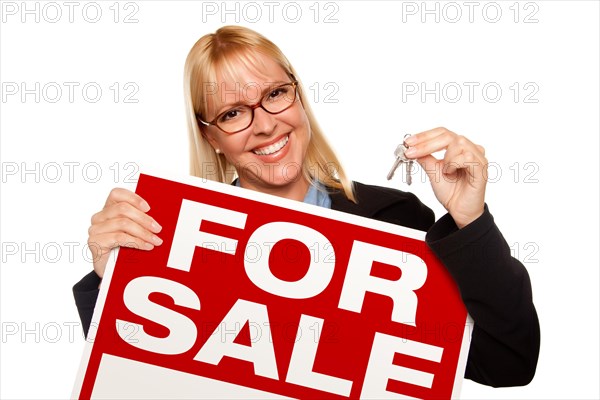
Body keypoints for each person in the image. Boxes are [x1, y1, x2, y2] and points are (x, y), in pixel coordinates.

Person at [73, 25, 540, 388]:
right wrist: (110, 279)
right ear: (210, 136)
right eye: (233, 113)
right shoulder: (173, 242)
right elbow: (142, 383)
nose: (265, 125)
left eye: (274, 94)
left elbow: (507, 362)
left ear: (297, 97)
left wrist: (470, 222)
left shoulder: (396, 222)